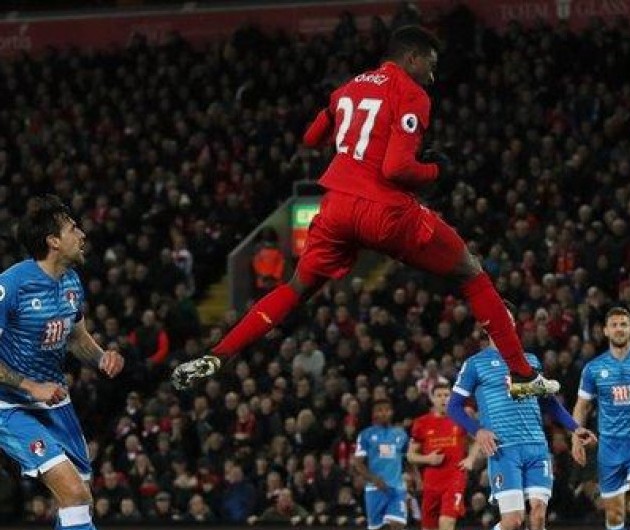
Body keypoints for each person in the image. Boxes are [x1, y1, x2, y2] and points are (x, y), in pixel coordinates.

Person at [171, 25, 557, 399]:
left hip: (336, 206)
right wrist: (437, 170)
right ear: (412, 57)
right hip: (385, 211)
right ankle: (522, 374)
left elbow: (309, 138)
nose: (433, 75)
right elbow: (397, 169)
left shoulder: (346, 88)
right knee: (470, 272)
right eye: (431, 64)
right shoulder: (412, 93)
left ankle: (216, 355)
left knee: (296, 288)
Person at [0, 195, 124, 530]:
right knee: (73, 491)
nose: (82, 234)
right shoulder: (11, 286)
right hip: (11, 407)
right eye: (73, 228)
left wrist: (101, 358)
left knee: (79, 502)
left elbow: (77, 338)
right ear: (53, 240)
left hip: (56, 404)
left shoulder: (71, 282)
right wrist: (29, 386)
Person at [446, 331, 596, 530]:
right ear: (490, 327)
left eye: (508, 320)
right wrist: (478, 431)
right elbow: (453, 407)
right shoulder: (475, 364)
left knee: (537, 516)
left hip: (537, 447)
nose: (504, 324)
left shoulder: (530, 360)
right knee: (513, 520)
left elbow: (549, 402)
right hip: (504, 449)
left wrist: (576, 427)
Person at [572, 307, 630, 530]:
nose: (619, 328)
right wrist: (576, 437)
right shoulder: (594, 369)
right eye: (614, 325)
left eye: (623, 324)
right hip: (610, 449)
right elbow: (582, 407)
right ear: (606, 331)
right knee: (615, 513)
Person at [408, 384, 477, 530]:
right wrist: (427, 459)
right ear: (432, 399)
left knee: (446, 524)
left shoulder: (461, 418)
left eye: (447, 395)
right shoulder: (421, 423)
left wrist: (470, 459)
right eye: (438, 395)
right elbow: (410, 455)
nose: (443, 398)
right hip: (431, 482)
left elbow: (479, 437)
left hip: (454, 479)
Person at [354, 399, 410, 530]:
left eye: (386, 410)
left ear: (391, 412)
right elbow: (358, 463)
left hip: (396, 489)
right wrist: (373, 479)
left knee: (398, 527)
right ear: (374, 414)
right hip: (374, 490)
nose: (383, 413)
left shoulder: (401, 434)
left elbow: (408, 459)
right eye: (379, 410)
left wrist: (417, 478)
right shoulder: (366, 435)